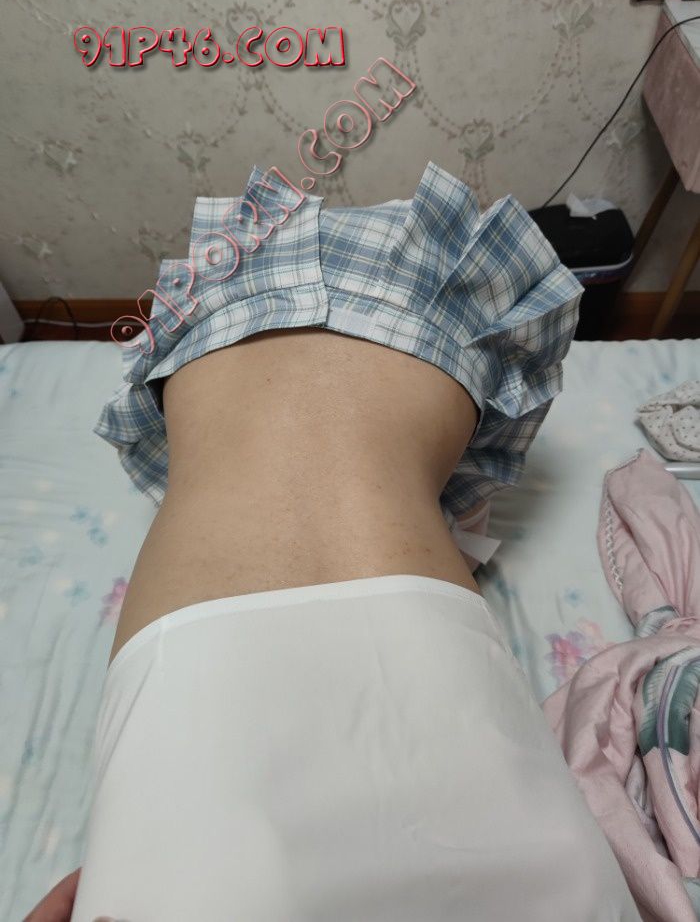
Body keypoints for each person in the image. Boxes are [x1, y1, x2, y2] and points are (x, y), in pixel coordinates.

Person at [25, 163, 642, 921]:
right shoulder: (453, 330)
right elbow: (464, 509)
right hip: (431, 697)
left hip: (201, 712)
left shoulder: (221, 346)